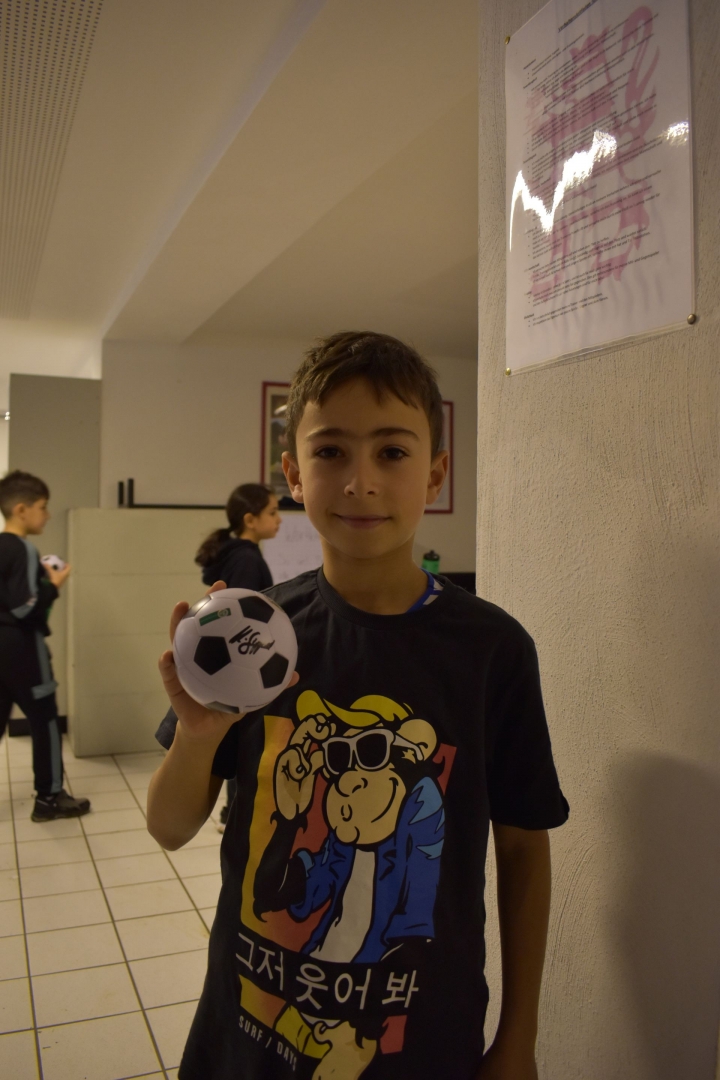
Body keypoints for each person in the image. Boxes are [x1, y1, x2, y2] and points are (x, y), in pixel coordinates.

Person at [147, 331, 568, 1080]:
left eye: (392, 452)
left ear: (435, 473)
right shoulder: (255, 638)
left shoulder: (491, 651)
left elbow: (523, 849)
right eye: (331, 452)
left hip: (419, 1039)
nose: (360, 481)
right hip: (247, 1035)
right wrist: (198, 734)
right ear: (293, 474)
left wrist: (519, 1039)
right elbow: (169, 827)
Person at [0, 470, 91, 821]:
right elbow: (24, 607)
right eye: (43, 507)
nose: (48, 515)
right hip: (22, 647)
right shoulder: (23, 548)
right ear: (21, 510)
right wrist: (53, 584)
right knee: (45, 719)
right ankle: (50, 798)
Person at [195, 483, 280, 825]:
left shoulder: (241, 555)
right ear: (250, 520)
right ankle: (233, 810)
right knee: (243, 739)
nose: (279, 519)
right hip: (243, 665)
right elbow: (240, 621)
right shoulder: (245, 559)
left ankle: (231, 808)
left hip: (238, 664)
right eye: (272, 512)